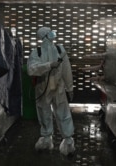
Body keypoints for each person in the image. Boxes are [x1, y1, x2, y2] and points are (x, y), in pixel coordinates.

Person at [27, 27, 75, 156]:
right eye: (50, 32)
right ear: (45, 36)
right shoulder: (36, 52)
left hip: (59, 87)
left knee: (63, 112)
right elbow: (31, 69)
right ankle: (46, 138)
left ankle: (68, 140)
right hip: (43, 87)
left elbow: (66, 70)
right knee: (44, 112)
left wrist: (69, 88)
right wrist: (48, 65)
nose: (53, 34)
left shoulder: (60, 49)